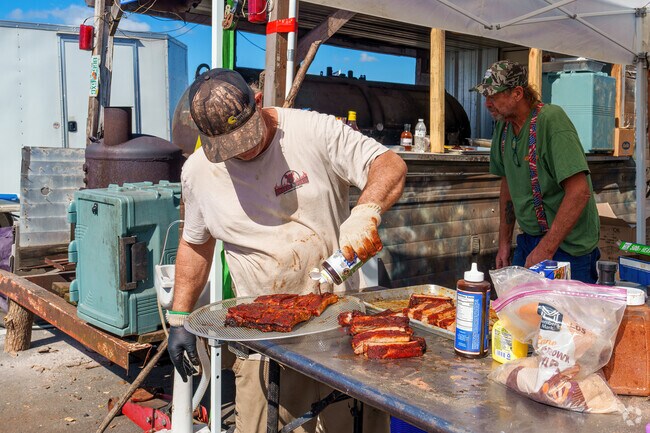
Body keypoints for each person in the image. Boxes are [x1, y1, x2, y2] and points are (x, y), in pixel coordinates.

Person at [166, 68, 406, 433]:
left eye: (247, 139)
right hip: (261, 339)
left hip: (337, 331)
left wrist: (366, 211)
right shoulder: (198, 171)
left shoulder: (312, 131)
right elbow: (196, 244)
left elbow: (389, 165)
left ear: (258, 102)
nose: (243, 152)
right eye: (230, 148)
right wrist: (180, 317)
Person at [471, 60, 600, 283]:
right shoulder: (503, 128)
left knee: (568, 317)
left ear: (517, 93)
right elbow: (508, 187)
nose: (487, 104)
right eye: (485, 97)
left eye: (493, 96)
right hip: (530, 240)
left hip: (569, 247)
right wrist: (503, 243)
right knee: (521, 314)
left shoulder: (551, 121)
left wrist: (546, 249)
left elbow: (579, 192)